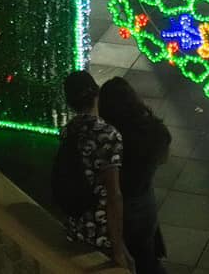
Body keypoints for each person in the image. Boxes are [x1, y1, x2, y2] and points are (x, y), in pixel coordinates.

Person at [55, 70, 130, 268]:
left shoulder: (68, 130)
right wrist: (118, 250)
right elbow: (113, 195)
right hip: (100, 230)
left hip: (76, 225)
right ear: (97, 93)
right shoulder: (107, 135)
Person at [98, 77, 170, 274]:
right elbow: (164, 158)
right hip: (145, 201)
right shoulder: (153, 129)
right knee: (147, 253)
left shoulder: (111, 138)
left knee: (133, 258)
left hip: (124, 208)